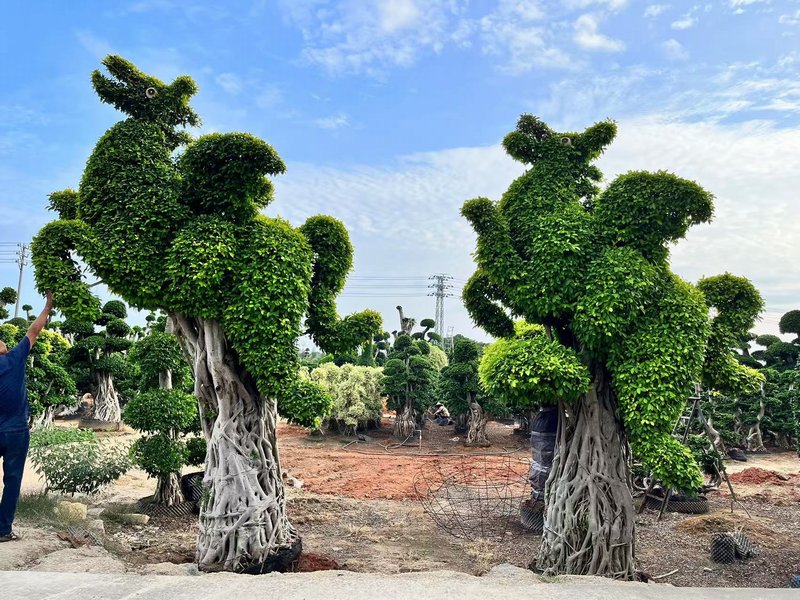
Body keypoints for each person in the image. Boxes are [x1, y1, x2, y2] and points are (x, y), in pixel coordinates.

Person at [0, 292, 53, 542]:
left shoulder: (13, 357)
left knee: (12, 481)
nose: (3, 341)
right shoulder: (14, 358)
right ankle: (3, 530)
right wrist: (49, 304)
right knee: (12, 482)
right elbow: (34, 330)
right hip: (16, 433)